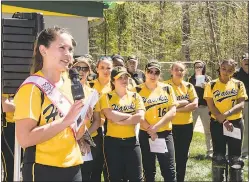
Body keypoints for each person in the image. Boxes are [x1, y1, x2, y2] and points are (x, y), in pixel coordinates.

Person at [13, 27, 91, 181]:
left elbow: (76, 134)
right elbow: (25, 139)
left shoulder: (71, 84)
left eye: (70, 49)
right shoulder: (31, 88)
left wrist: (84, 120)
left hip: (73, 166)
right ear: (43, 50)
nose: (68, 54)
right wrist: (66, 120)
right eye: (61, 48)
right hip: (43, 168)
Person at [204, 59, 247, 182]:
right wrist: (222, 120)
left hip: (235, 123)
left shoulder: (239, 84)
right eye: (224, 69)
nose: (226, 72)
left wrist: (227, 115)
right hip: (217, 123)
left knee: (235, 158)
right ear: (220, 67)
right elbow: (211, 106)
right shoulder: (211, 84)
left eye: (230, 70)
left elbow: (241, 104)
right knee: (218, 156)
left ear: (233, 71)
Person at [100, 66, 145, 182]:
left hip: (132, 141)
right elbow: (110, 116)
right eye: (120, 78)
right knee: (115, 177)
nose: (124, 80)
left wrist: (119, 119)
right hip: (113, 143)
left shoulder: (135, 96)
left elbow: (140, 116)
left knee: (137, 177)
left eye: (126, 77)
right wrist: (131, 117)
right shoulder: (106, 96)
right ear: (113, 81)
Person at [135, 61, 177, 182]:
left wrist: (156, 127)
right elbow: (137, 113)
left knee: (169, 170)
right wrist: (150, 129)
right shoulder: (136, 90)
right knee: (148, 170)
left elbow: (173, 111)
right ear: (145, 72)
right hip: (145, 133)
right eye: (150, 72)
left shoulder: (167, 88)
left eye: (156, 72)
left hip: (164, 132)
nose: (153, 75)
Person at [165, 62, 198, 182]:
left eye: (181, 70)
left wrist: (175, 108)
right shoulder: (164, 86)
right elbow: (165, 106)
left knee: (182, 156)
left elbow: (194, 104)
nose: (179, 72)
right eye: (176, 69)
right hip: (169, 126)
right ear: (171, 71)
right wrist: (184, 102)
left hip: (186, 126)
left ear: (185, 72)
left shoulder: (189, 86)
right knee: (168, 157)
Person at [72, 57, 101, 182]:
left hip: (87, 141)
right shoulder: (64, 90)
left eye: (85, 69)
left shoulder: (93, 93)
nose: (81, 71)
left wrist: (84, 136)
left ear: (89, 72)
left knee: (86, 176)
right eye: (78, 68)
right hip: (69, 141)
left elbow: (97, 120)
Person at [88, 56, 113, 182]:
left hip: (112, 128)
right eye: (102, 67)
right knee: (95, 165)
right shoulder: (90, 85)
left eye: (108, 68)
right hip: (94, 128)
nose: (105, 71)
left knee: (110, 165)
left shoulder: (115, 86)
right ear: (97, 69)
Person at [188, 60, 213, 158]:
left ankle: (210, 152)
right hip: (194, 107)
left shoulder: (208, 79)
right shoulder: (190, 79)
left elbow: (212, 92)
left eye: (200, 67)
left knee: (208, 131)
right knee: (189, 130)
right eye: (196, 67)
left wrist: (206, 86)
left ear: (204, 68)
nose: (198, 69)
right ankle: (186, 151)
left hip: (205, 107)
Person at [233, 53, 248, 159]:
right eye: (245, 60)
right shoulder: (236, 73)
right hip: (237, 104)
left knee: (247, 128)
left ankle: (245, 152)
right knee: (235, 126)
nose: (247, 62)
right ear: (241, 61)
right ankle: (233, 150)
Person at [1, 94, 15, 182]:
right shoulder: (4, 83)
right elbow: (5, 106)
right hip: (7, 128)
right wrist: (25, 106)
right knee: (10, 168)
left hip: (25, 124)